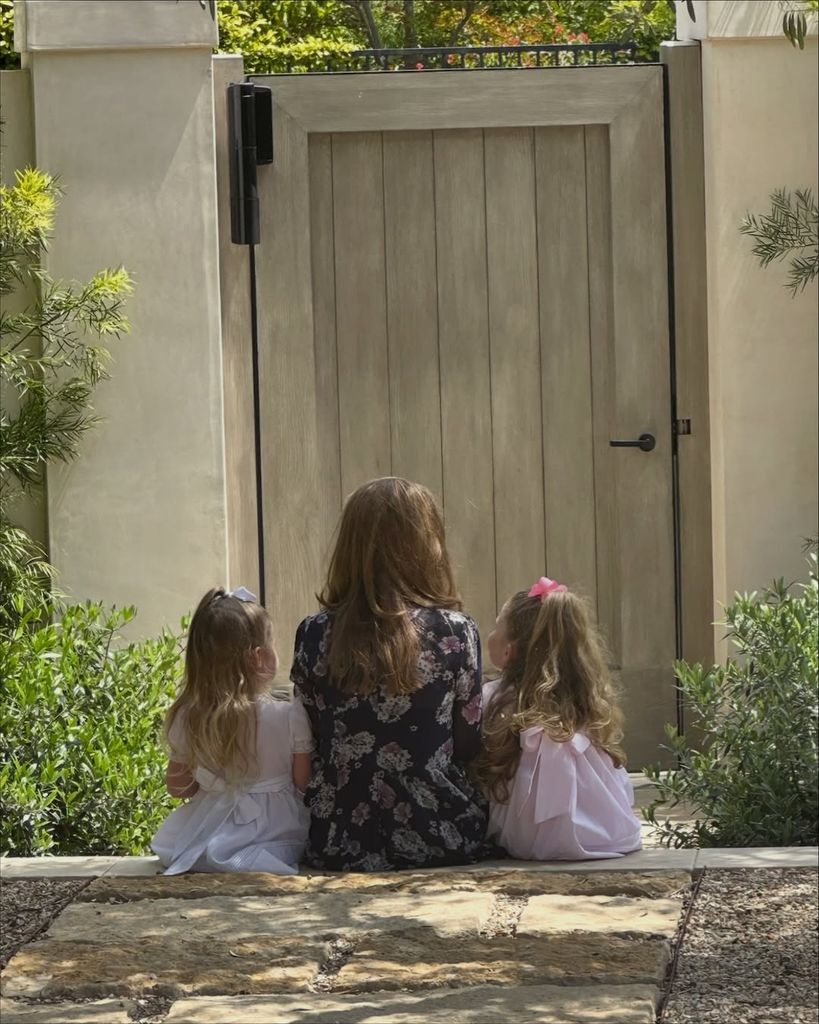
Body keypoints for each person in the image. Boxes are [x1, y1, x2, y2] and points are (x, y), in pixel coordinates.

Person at [290, 477, 490, 871]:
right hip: (438, 831)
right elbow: (468, 743)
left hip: (339, 835)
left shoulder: (314, 634)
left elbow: (312, 739)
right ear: (426, 545)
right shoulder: (455, 630)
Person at [474, 577, 642, 861]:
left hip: (525, 830)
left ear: (508, 650)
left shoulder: (492, 698)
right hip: (607, 829)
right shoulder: (583, 702)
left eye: (496, 625)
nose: (490, 633)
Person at [152, 587, 313, 875]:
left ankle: (215, 852)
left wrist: (209, 783)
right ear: (259, 657)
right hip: (276, 831)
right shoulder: (289, 714)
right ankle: (252, 857)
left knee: (185, 843)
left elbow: (178, 788)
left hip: (212, 827)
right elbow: (303, 784)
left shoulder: (189, 717)